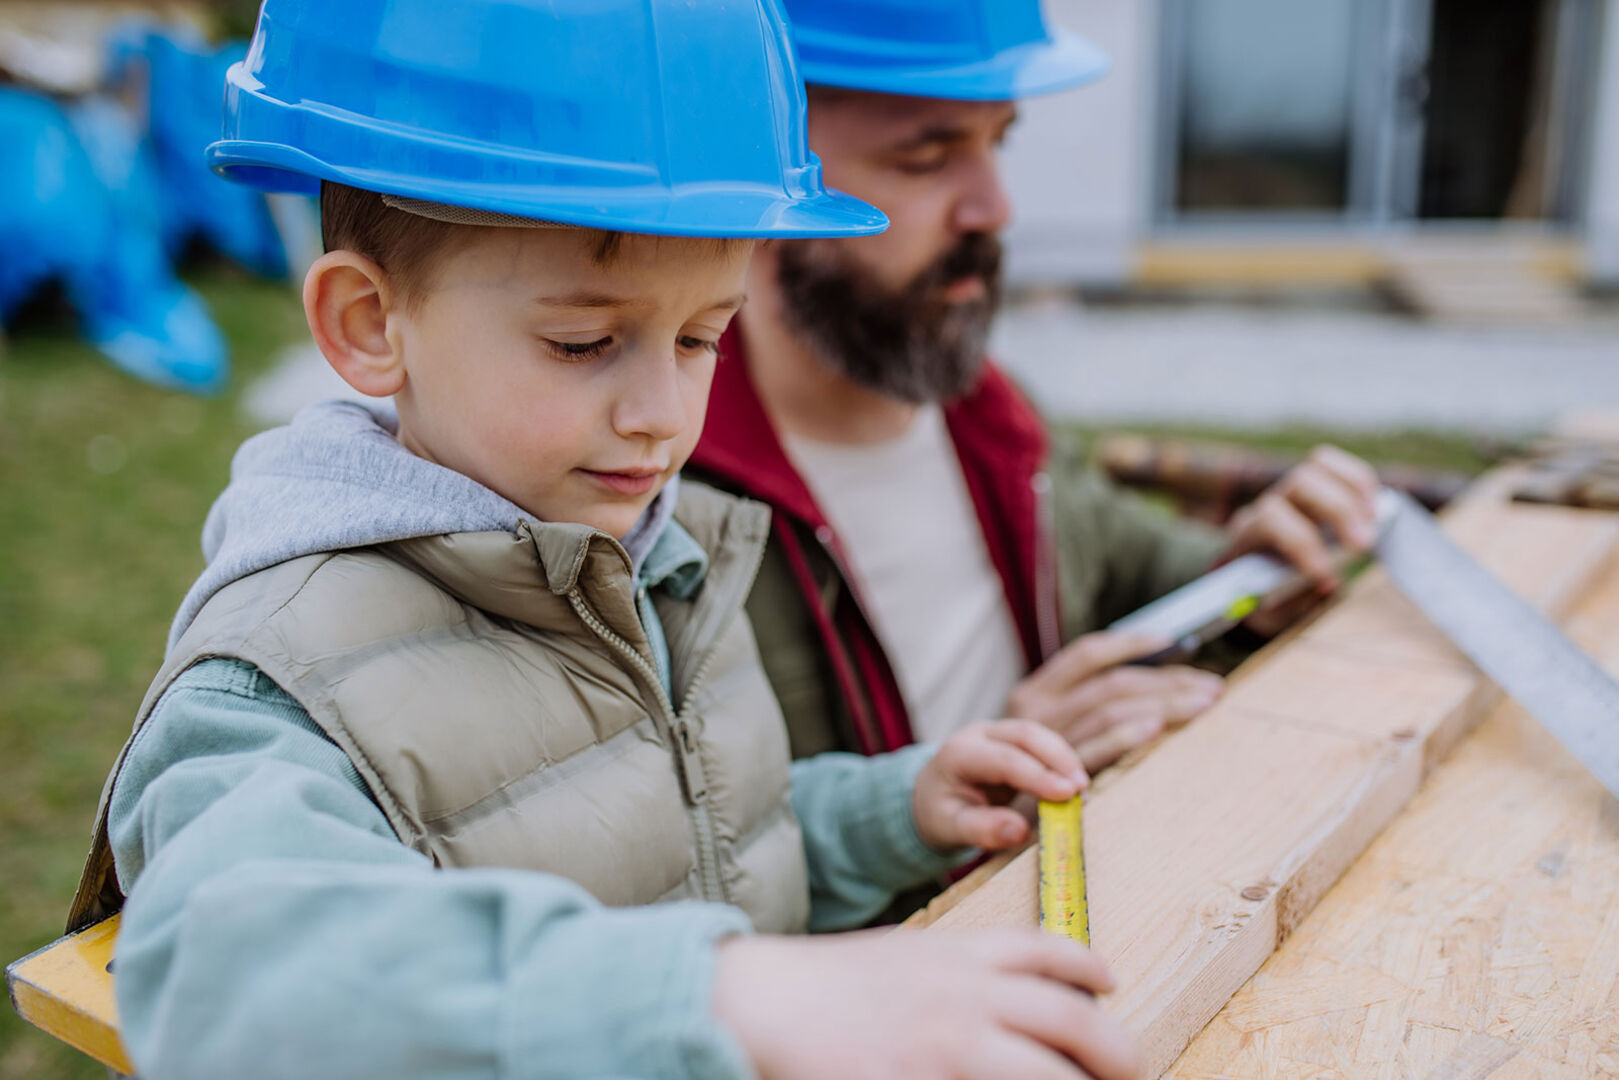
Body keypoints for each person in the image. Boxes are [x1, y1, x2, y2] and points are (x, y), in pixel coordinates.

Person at [64, 3, 1142, 1078]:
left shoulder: (652, 557)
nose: (662, 415)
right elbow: (236, 974)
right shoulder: (274, 681)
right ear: (367, 324)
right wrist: (720, 996)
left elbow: (696, 840)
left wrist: (890, 812)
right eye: (584, 342)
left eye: (699, 337)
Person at [689, 0, 1384, 766]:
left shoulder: (988, 417)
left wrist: (1243, 579)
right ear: (756, 179)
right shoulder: (659, 504)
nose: (994, 208)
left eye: (997, 143)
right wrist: (970, 788)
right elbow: (706, 859)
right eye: (925, 157)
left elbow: (1128, 562)